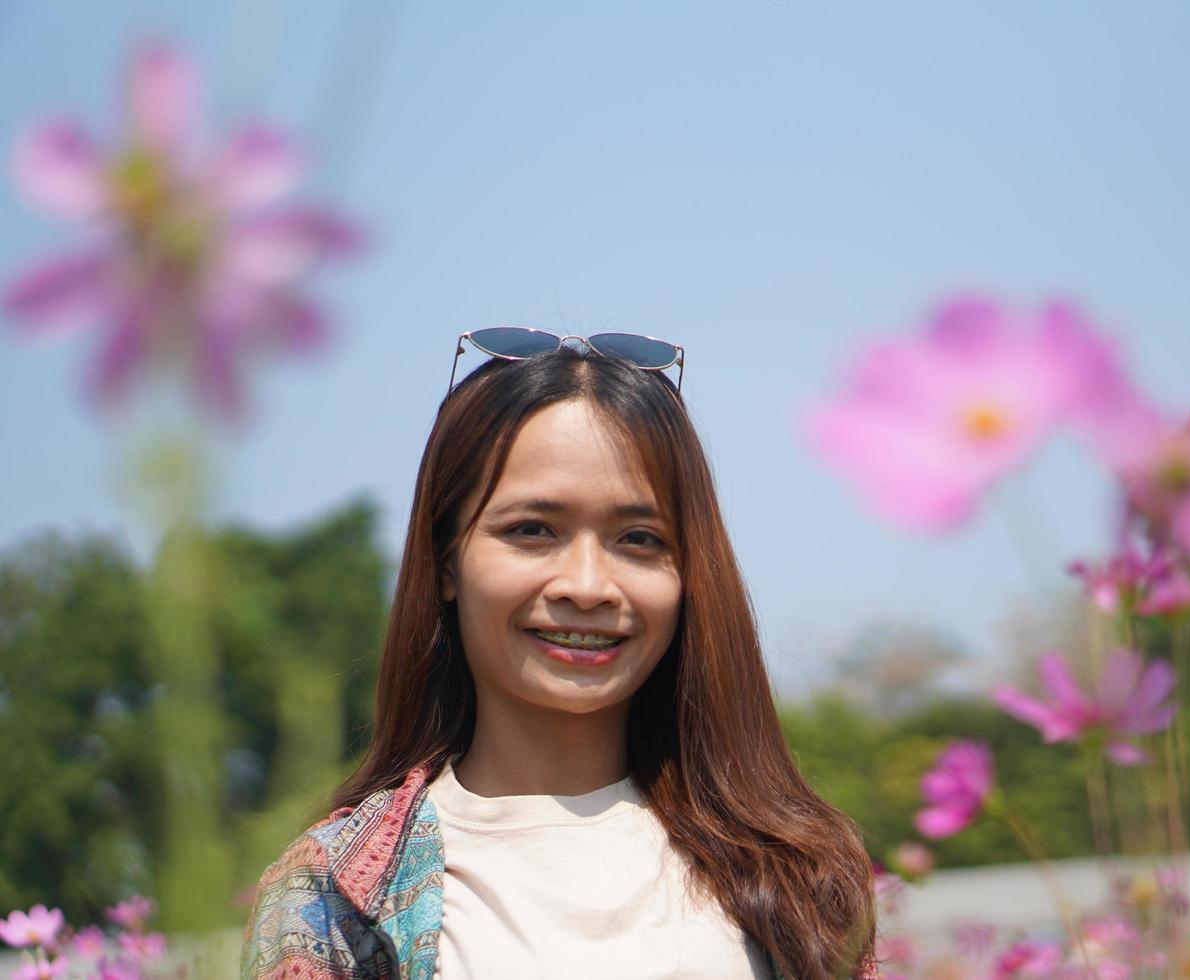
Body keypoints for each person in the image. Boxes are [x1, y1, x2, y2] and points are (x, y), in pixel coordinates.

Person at [241, 331, 878, 979]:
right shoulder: (334, 896)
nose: (588, 586)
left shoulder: (797, 871)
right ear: (445, 561)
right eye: (531, 531)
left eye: (639, 538)